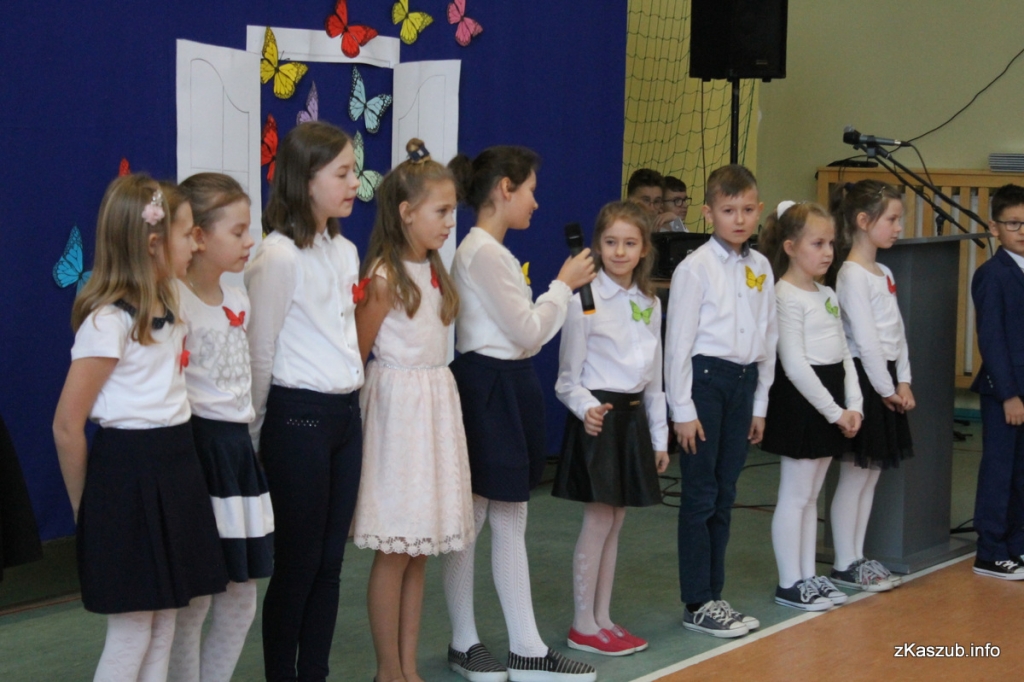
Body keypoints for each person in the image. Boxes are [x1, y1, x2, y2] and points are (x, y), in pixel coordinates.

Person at [52, 174, 227, 681]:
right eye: (188, 234)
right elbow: (67, 426)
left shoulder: (171, 301)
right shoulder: (107, 323)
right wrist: (87, 508)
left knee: (165, 620)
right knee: (132, 632)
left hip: (176, 467)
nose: (197, 243)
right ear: (153, 243)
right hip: (127, 478)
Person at [443, 145, 597, 682]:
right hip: (488, 385)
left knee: (507, 514)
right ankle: (466, 641)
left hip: (507, 383)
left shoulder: (493, 253)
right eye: (530, 190)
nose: (536, 201)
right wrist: (563, 285)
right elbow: (529, 331)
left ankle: (524, 647)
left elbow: (527, 336)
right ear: (505, 189)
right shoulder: (482, 252)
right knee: (475, 517)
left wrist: (552, 299)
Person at [352, 139, 476, 682]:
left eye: (452, 212)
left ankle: (408, 667)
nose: (450, 223)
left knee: (419, 547)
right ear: (406, 212)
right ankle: (387, 670)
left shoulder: (434, 270)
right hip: (399, 418)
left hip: (434, 411)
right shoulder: (383, 278)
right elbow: (358, 356)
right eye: (441, 212)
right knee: (395, 549)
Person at [245, 121, 364, 682]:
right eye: (341, 173)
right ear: (305, 179)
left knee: (331, 563)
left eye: (354, 170)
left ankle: (314, 671)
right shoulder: (277, 256)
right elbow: (260, 351)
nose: (354, 182)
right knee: (298, 563)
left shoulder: (345, 250)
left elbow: (345, 339)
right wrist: (255, 437)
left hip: (344, 418)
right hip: (297, 420)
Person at [167, 174, 273, 682]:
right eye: (237, 231)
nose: (249, 241)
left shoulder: (239, 299)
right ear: (199, 237)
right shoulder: (173, 301)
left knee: (240, 598)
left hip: (235, 454)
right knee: (194, 602)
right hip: (196, 451)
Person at [552, 200, 669, 656]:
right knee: (599, 517)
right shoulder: (585, 299)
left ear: (644, 249)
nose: (620, 252)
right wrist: (587, 409)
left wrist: (658, 437)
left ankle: (602, 618)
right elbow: (567, 380)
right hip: (599, 419)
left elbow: (654, 381)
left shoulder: (650, 303)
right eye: (611, 242)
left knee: (616, 520)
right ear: (598, 246)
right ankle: (582, 623)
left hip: (632, 421)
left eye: (630, 243)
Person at [664, 164, 776, 638]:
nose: (739, 219)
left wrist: (760, 404)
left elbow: (768, 336)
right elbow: (677, 344)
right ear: (709, 213)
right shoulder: (695, 268)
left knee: (726, 493)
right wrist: (682, 410)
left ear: (759, 210)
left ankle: (715, 594)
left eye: (748, 210)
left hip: (743, 383)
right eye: (729, 210)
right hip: (705, 384)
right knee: (701, 494)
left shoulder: (761, 266)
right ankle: (697, 601)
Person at [758, 201, 863, 610]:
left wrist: (854, 404)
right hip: (802, 402)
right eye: (817, 244)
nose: (828, 252)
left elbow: (844, 352)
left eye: (831, 243)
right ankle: (790, 581)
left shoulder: (827, 293)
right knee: (796, 494)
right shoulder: (783, 295)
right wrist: (835, 412)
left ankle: (808, 576)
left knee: (812, 494)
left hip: (831, 398)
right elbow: (796, 365)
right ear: (790, 247)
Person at [829, 180, 915, 592]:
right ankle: (844, 561)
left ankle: (857, 556)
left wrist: (904, 380)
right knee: (854, 474)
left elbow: (897, 333)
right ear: (863, 221)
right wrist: (885, 389)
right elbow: (864, 340)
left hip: (886, 380)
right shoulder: (850, 275)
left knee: (871, 475)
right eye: (892, 219)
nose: (898, 227)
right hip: (865, 381)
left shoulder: (885, 272)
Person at [970, 183, 1024, 579]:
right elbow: (991, 340)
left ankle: (1016, 543)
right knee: (1000, 471)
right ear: (995, 228)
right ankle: (989, 550)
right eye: (1014, 223)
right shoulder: (992, 274)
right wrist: (1009, 394)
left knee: (1022, 473)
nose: (1022, 231)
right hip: (1006, 392)